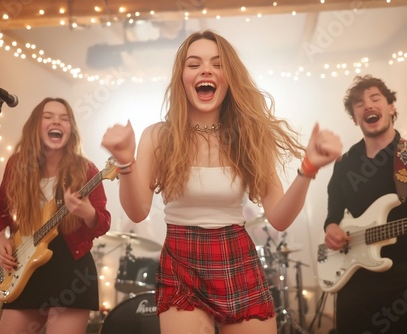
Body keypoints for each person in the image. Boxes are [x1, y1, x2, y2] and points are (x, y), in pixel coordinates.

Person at [101, 29, 342, 334]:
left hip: (236, 257)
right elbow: (137, 212)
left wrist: (308, 168)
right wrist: (125, 162)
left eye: (217, 64)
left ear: (229, 78)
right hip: (181, 258)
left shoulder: (250, 136)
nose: (206, 70)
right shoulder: (157, 136)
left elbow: (279, 218)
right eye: (194, 64)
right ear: (182, 78)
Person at [323, 75, 407, 333]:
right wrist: (331, 227)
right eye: (359, 103)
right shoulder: (344, 165)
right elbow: (333, 213)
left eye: (375, 98)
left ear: (391, 108)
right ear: (355, 117)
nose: (368, 105)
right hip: (355, 287)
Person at [0, 97, 111, 334]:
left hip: (72, 271)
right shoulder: (17, 165)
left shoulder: (87, 170)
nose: (57, 122)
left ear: (70, 130)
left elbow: (102, 223)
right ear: (36, 125)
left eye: (64, 119)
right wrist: (2, 239)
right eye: (48, 117)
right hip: (25, 267)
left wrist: (88, 213)